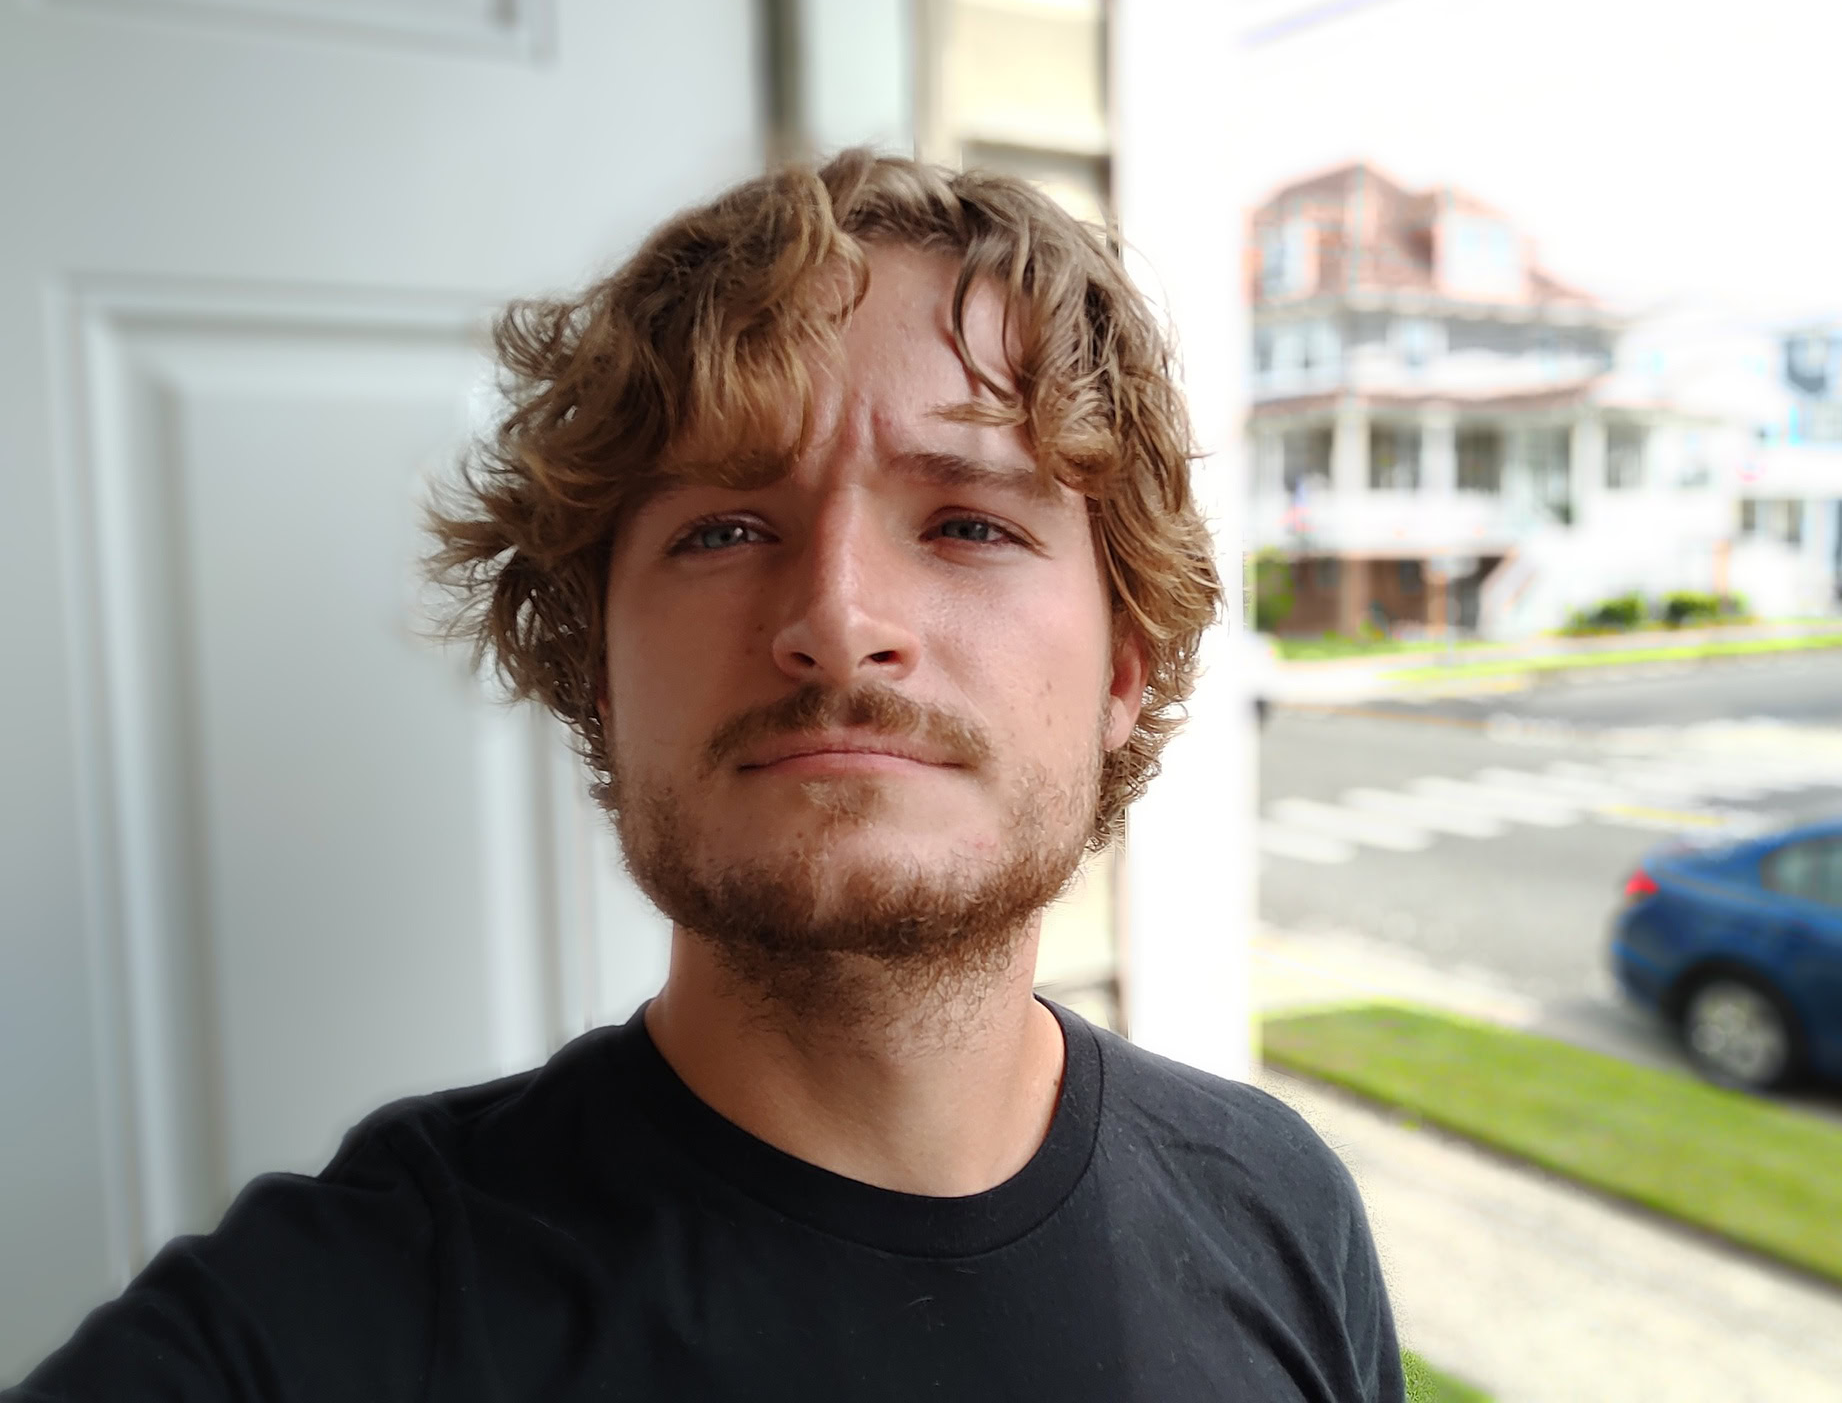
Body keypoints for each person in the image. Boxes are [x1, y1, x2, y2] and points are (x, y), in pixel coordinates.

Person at [8, 151, 1399, 1402]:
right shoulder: (326, 1324)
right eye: (725, 528)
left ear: (1122, 670)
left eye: (969, 523)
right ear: (600, 671)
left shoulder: (1282, 1208)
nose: (839, 619)